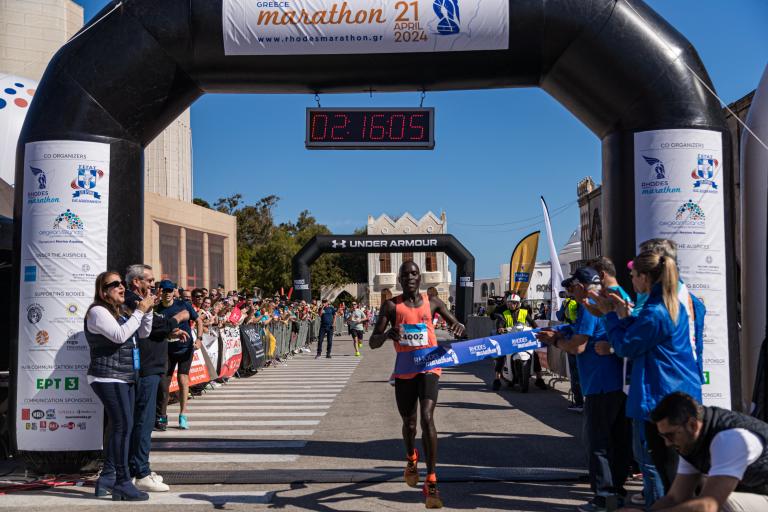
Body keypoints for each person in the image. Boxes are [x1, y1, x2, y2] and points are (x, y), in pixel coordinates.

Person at [590, 250, 702, 498]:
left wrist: (610, 315)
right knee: (663, 468)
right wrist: (622, 315)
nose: (630, 279)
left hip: (661, 396)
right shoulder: (660, 306)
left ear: (645, 277)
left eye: (633, 275)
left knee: (658, 468)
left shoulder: (656, 311)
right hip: (667, 393)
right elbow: (639, 337)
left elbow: (626, 346)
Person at [370, 261, 465, 509]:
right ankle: (411, 457)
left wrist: (459, 327)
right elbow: (372, 342)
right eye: (405, 275)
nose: (410, 277)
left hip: (430, 366)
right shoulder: (391, 306)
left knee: (427, 417)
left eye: (414, 273)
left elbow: (458, 326)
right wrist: (387, 335)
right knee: (409, 423)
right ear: (400, 280)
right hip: (405, 368)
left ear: (419, 277)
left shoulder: (432, 302)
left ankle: (431, 480)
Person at [537, 267, 631, 512]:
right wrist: (563, 332)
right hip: (617, 383)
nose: (570, 293)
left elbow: (578, 347)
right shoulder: (604, 302)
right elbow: (582, 333)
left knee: (597, 443)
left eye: (571, 288)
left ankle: (604, 498)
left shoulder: (590, 306)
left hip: (601, 384)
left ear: (580, 286)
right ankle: (617, 493)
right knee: (617, 441)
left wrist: (555, 341)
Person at [618, 392, 768, 512]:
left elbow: (709, 506)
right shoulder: (691, 440)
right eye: (662, 436)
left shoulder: (729, 439)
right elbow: (675, 498)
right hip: (758, 494)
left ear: (692, 425)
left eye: (670, 435)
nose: (667, 443)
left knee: (715, 504)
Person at [85, 271, 154, 501]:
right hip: (108, 376)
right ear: (103, 291)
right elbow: (119, 336)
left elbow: (143, 332)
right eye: (114, 284)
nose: (121, 287)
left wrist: (147, 311)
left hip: (124, 376)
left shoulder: (122, 311)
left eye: (122, 283)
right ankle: (123, 482)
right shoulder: (97, 311)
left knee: (121, 427)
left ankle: (107, 477)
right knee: (123, 427)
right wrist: (140, 310)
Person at [125, 265, 188, 493]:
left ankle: (137, 468)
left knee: (144, 421)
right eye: (150, 280)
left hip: (151, 367)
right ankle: (140, 472)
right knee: (143, 422)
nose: (154, 284)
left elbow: (155, 326)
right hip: (145, 369)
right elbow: (155, 326)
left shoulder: (144, 301)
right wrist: (179, 317)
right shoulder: (133, 300)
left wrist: (170, 330)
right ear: (136, 282)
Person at [155, 280, 201, 430]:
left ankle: (183, 415)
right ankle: (162, 416)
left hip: (185, 348)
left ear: (174, 292)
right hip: (167, 349)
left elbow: (199, 320)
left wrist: (199, 339)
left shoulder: (183, 305)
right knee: (164, 384)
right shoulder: (157, 308)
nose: (167, 294)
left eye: (169, 291)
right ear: (160, 292)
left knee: (182, 379)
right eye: (164, 291)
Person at [491, 293, 544, 391]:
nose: (511, 305)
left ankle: (539, 379)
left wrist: (538, 329)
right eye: (510, 303)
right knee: (500, 356)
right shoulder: (505, 314)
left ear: (518, 303)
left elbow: (532, 323)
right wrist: (500, 328)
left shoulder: (524, 312)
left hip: (523, 340)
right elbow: (501, 323)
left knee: (535, 355)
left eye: (514, 303)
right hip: (509, 340)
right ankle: (497, 379)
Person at [558, 281, 584, 412]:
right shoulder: (583, 302)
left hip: (572, 338)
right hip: (580, 337)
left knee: (575, 373)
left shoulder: (568, 302)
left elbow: (559, 316)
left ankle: (579, 402)